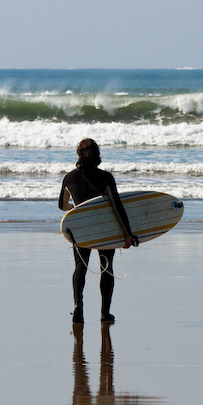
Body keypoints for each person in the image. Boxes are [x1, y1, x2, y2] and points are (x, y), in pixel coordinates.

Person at [59, 139, 137, 324]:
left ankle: (78, 307)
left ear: (79, 154)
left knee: (80, 267)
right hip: (104, 229)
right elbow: (117, 207)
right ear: (97, 154)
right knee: (106, 267)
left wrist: (77, 208)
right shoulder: (105, 178)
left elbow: (62, 206)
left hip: (80, 228)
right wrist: (127, 234)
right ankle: (105, 313)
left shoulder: (69, 178)